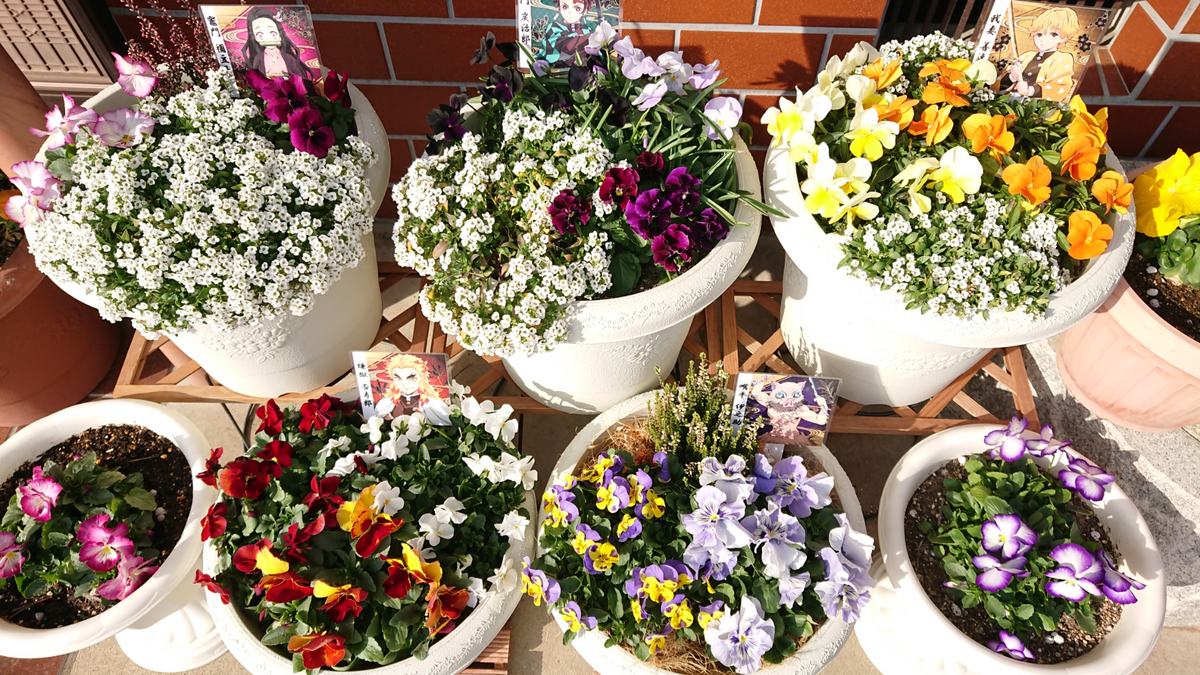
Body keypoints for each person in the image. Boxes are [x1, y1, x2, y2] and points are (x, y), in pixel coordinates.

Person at [1003, 8, 1079, 102]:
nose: (1044, 39)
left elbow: (1061, 87)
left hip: (1035, 108)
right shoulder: (1026, 56)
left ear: (1064, 37)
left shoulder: (1062, 58)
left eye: (1053, 34)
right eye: (1039, 34)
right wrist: (1012, 76)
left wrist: (1029, 90)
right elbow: (1000, 84)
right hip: (1009, 100)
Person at [242, 7, 315, 81]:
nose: (268, 38)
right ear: (255, 38)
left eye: (273, 33)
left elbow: (301, 81)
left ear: (280, 35)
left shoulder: (289, 58)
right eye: (260, 35)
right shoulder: (258, 60)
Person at [373, 354, 443, 419]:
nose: (404, 384)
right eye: (398, 378)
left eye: (411, 379)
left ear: (422, 378)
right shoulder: (385, 404)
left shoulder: (434, 404)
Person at [538, 0, 600, 66]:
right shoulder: (553, 27)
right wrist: (594, 36)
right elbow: (557, 53)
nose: (570, 13)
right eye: (564, 7)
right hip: (557, 69)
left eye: (577, 9)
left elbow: (594, 53)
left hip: (582, 71)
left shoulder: (587, 30)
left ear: (584, 11)